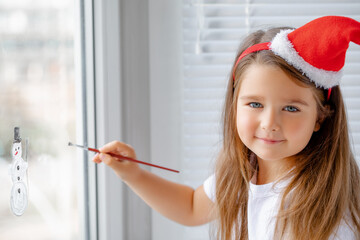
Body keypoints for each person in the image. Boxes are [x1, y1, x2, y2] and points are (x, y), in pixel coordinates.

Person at [92, 16, 360, 239]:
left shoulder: (328, 210)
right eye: (255, 104)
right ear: (234, 105)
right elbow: (191, 207)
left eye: (291, 108)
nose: (269, 124)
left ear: (320, 118)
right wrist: (134, 174)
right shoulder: (243, 171)